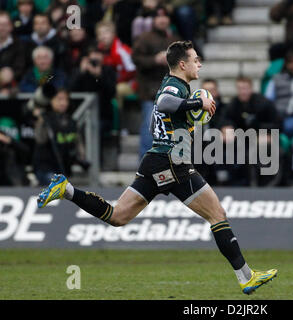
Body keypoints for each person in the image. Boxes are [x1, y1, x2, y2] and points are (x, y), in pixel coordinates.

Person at [36, 40, 277, 294]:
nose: (200, 64)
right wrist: (197, 105)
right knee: (217, 215)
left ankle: (67, 190)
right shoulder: (174, 86)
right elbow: (163, 104)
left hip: (155, 160)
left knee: (118, 216)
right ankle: (246, 277)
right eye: (195, 59)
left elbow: (155, 124)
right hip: (173, 162)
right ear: (182, 64)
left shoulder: (171, 84)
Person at [132, 5, 179, 159]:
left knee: (169, 134)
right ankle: (144, 169)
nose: (162, 20)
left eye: (165, 17)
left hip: (171, 94)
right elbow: (136, 59)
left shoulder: (174, 40)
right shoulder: (145, 38)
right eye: (158, 17)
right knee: (149, 131)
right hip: (150, 92)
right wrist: (154, 60)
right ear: (153, 20)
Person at [32, 88, 87, 185]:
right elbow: (40, 139)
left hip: (64, 169)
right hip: (45, 168)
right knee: (57, 184)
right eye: (59, 99)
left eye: (66, 99)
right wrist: (41, 120)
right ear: (51, 101)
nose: (63, 103)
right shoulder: (45, 119)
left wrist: (81, 158)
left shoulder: (71, 121)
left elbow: (78, 144)